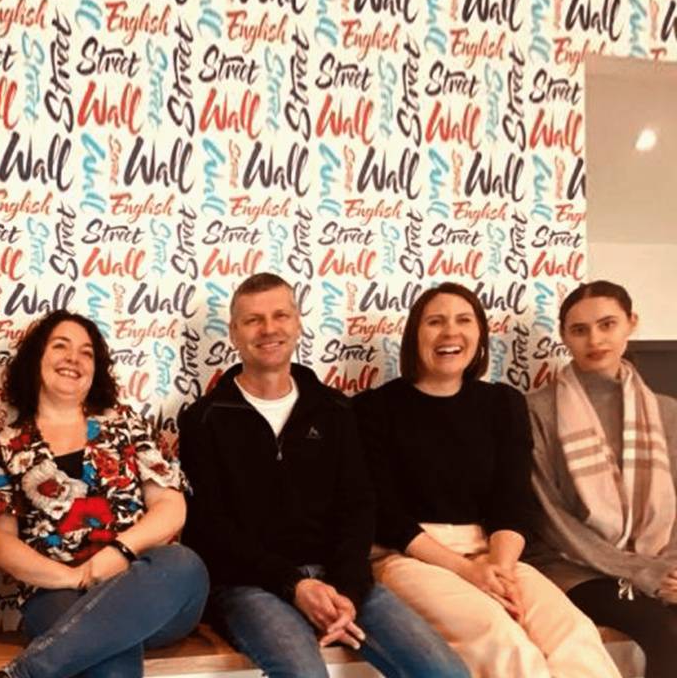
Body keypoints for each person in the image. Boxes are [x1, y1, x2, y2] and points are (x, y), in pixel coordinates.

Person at [178, 272, 468, 678]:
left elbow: (358, 506)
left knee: (446, 673)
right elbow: (210, 529)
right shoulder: (203, 420)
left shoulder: (335, 409)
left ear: (298, 323)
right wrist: (294, 585)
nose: (269, 329)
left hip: (339, 578)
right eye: (253, 320)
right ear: (233, 333)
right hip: (248, 586)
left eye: (280, 315)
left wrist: (347, 591)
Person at [356, 282, 620, 678]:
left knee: (574, 633)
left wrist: (499, 568)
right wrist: (467, 572)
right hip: (410, 558)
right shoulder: (373, 408)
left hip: (494, 554)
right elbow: (385, 516)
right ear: (415, 335)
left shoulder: (503, 403)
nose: (450, 332)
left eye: (464, 320)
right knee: (503, 639)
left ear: (480, 334)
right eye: (435, 322)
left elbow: (512, 501)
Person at [0, 310, 208, 678]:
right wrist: (75, 578)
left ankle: (25, 673)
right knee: (109, 660)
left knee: (184, 564)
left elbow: (170, 506)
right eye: (60, 346)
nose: (74, 358)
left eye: (86, 353)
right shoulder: (5, 445)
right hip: (57, 593)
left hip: (145, 590)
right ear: (37, 358)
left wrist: (120, 552)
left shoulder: (128, 425)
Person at [526, 280, 677, 678]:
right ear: (564, 337)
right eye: (580, 330)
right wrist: (643, 572)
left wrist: (670, 569)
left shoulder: (667, 412)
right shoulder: (536, 411)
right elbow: (549, 519)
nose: (595, 340)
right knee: (665, 631)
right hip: (571, 567)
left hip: (656, 562)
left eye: (607, 324)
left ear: (631, 323)